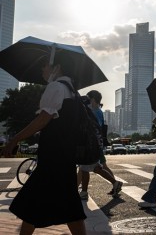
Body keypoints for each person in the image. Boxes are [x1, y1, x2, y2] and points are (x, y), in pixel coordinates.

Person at [1, 54, 87, 234]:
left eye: (44, 66)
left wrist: (15, 139)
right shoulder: (73, 91)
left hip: (52, 158)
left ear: (57, 67)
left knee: (34, 203)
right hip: (65, 157)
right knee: (68, 206)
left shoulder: (56, 87)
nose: (42, 69)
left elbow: (43, 119)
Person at [77, 90, 122, 199]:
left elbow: (93, 127)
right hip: (94, 143)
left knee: (90, 167)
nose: (87, 100)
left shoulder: (95, 111)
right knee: (88, 167)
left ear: (92, 99)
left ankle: (114, 183)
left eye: (88, 98)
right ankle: (84, 192)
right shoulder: (95, 110)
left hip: (92, 144)